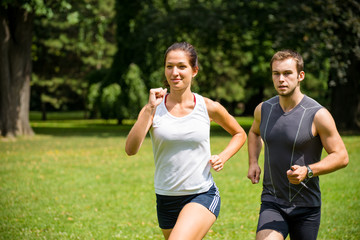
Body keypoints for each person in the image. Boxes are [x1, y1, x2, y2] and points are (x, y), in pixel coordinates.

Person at [125, 42, 247, 240]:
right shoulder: (153, 108)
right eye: (169, 66)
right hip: (165, 198)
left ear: (194, 70)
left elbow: (239, 133)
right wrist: (148, 109)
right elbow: (130, 149)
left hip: (201, 194)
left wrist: (223, 157)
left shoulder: (207, 106)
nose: (175, 72)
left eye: (182, 66)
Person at [247, 49, 349, 240]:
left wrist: (308, 171)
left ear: (300, 76)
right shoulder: (264, 109)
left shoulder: (318, 114)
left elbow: (341, 156)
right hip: (272, 201)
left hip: (306, 206)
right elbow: (253, 132)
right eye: (276, 73)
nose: (281, 79)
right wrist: (253, 162)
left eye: (287, 73)